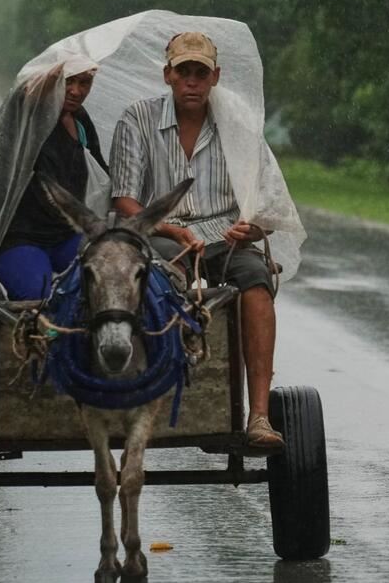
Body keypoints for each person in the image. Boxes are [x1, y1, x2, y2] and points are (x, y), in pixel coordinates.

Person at [109, 31, 285, 449]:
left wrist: (253, 228)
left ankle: (258, 415)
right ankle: (162, 387)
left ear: (215, 77)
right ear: (167, 75)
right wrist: (168, 228)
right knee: (161, 280)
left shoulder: (237, 124)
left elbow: (265, 205)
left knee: (256, 281)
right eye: (183, 72)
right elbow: (125, 202)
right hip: (161, 234)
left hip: (225, 236)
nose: (192, 81)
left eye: (200, 73)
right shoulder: (138, 118)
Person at [0, 64, 108, 300]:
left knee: (110, 279)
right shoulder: (26, 120)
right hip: (21, 239)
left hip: (68, 234)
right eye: (67, 81)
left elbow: (103, 175)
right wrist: (56, 69)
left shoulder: (80, 120)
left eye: (84, 82)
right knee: (40, 297)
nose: (75, 91)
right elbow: (21, 96)